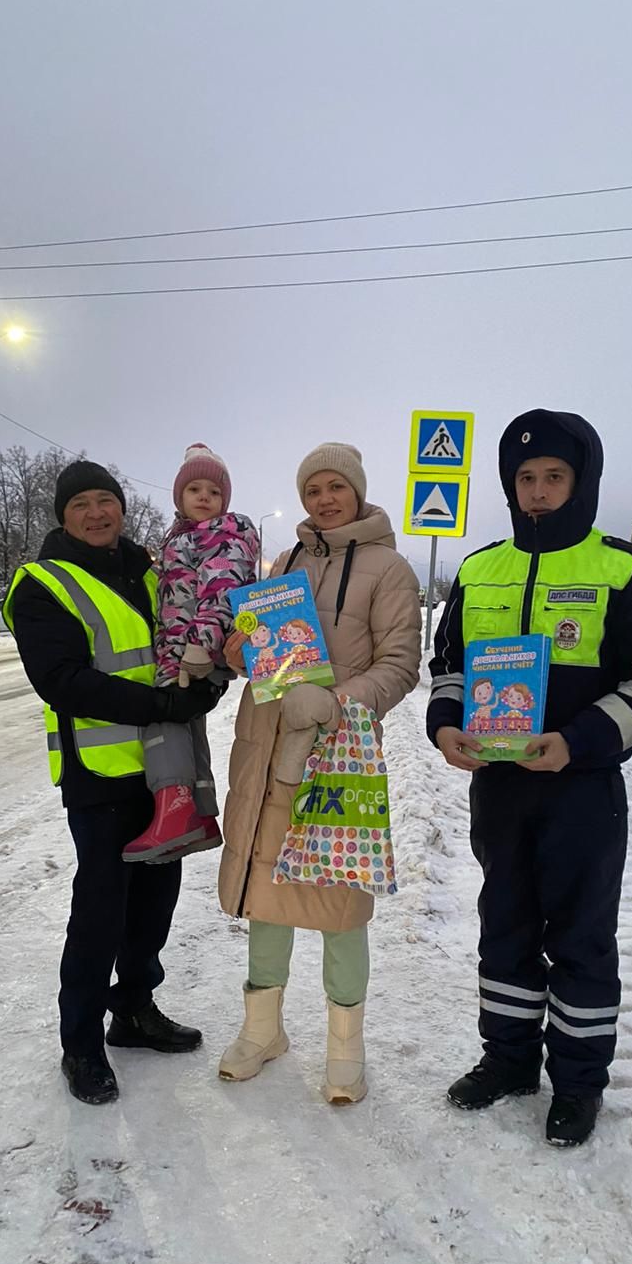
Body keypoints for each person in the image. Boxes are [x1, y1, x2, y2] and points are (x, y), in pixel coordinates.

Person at [427, 409, 632, 1147]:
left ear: (582, 482)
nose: (538, 491)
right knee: (504, 926)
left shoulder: (622, 568)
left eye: (554, 477)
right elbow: (450, 669)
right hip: (500, 790)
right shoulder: (479, 569)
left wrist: (580, 741)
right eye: (525, 478)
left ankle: (577, 1084)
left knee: (580, 938)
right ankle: (508, 1061)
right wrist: (445, 726)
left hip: (582, 789)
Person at [4, 460, 224, 1105]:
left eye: (107, 502)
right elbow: (61, 681)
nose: (97, 513)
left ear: (123, 509)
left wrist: (208, 679)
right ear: (63, 516)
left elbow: (187, 636)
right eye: (82, 505)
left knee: (156, 899)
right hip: (101, 775)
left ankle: (133, 1011)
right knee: (101, 909)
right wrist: (162, 705)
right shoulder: (42, 583)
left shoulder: (155, 570)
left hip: (169, 768)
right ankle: (81, 1045)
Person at [216, 443, 421, 1103]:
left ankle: (344, 1050)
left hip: (338, 757)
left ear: (357, 491)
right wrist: (241, 646)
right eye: (314, 490)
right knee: (265, 888)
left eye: (336, 487)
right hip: (269, 748)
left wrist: (337, 703)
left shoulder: (389, 569)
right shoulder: (286, 563)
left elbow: (400, 664)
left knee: (338, 905)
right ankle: (262, 1031)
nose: (325, 500)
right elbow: (262, 645)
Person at [122, 443, 259, 862]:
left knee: (164, 718)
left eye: (213, 492)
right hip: (182, 647)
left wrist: (200, 646)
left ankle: (174, 809)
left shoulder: (224, 535)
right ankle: (198, 811)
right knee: (186, 720)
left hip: (195, 649)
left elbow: (220, 592)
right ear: (179, 497)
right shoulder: (181, 538)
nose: (204, 497)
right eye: (194, 489)